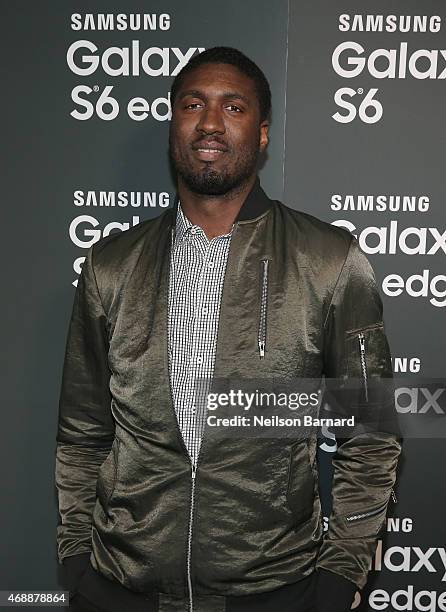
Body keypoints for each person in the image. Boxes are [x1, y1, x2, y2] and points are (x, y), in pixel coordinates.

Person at [55, 46, 401, 612]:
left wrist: (340, 576)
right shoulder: (110, 266)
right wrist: (75, 560)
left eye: (233, 107)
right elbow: (81, 433)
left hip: (274, 589)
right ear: (173, 124)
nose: (210, 122)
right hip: (121, 586)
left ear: (262, 134)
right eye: (193, 104)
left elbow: (371, 436)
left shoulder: (329, 261)